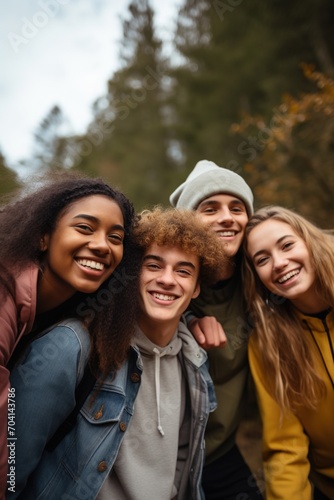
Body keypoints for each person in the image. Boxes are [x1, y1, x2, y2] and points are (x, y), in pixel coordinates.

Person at [9, 207, 227, 500]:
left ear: (197, 287)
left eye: (183, 271)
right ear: (133, 274)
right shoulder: (72, 345)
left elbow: (184, 466)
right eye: (153, 265)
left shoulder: (195, 360)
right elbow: (11, 468)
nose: (167, 279)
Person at [1, 172, 140, 498]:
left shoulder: (73, 310)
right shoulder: (5, 288)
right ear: (43, 237)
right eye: (84, 228)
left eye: (115, 237)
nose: (101, 245)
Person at [170, 160, 263, 499]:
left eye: (237, 208)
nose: (227, 217)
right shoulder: (167, 281)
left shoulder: (260, 281)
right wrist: (187, 321)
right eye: (210, 208)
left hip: (223, 454)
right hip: (166, 461)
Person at [243, 205, 334, 500]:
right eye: (262, 259)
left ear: (310, 242)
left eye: (287, 245)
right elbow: (285, 448)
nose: (279, 263)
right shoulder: (267, 343)